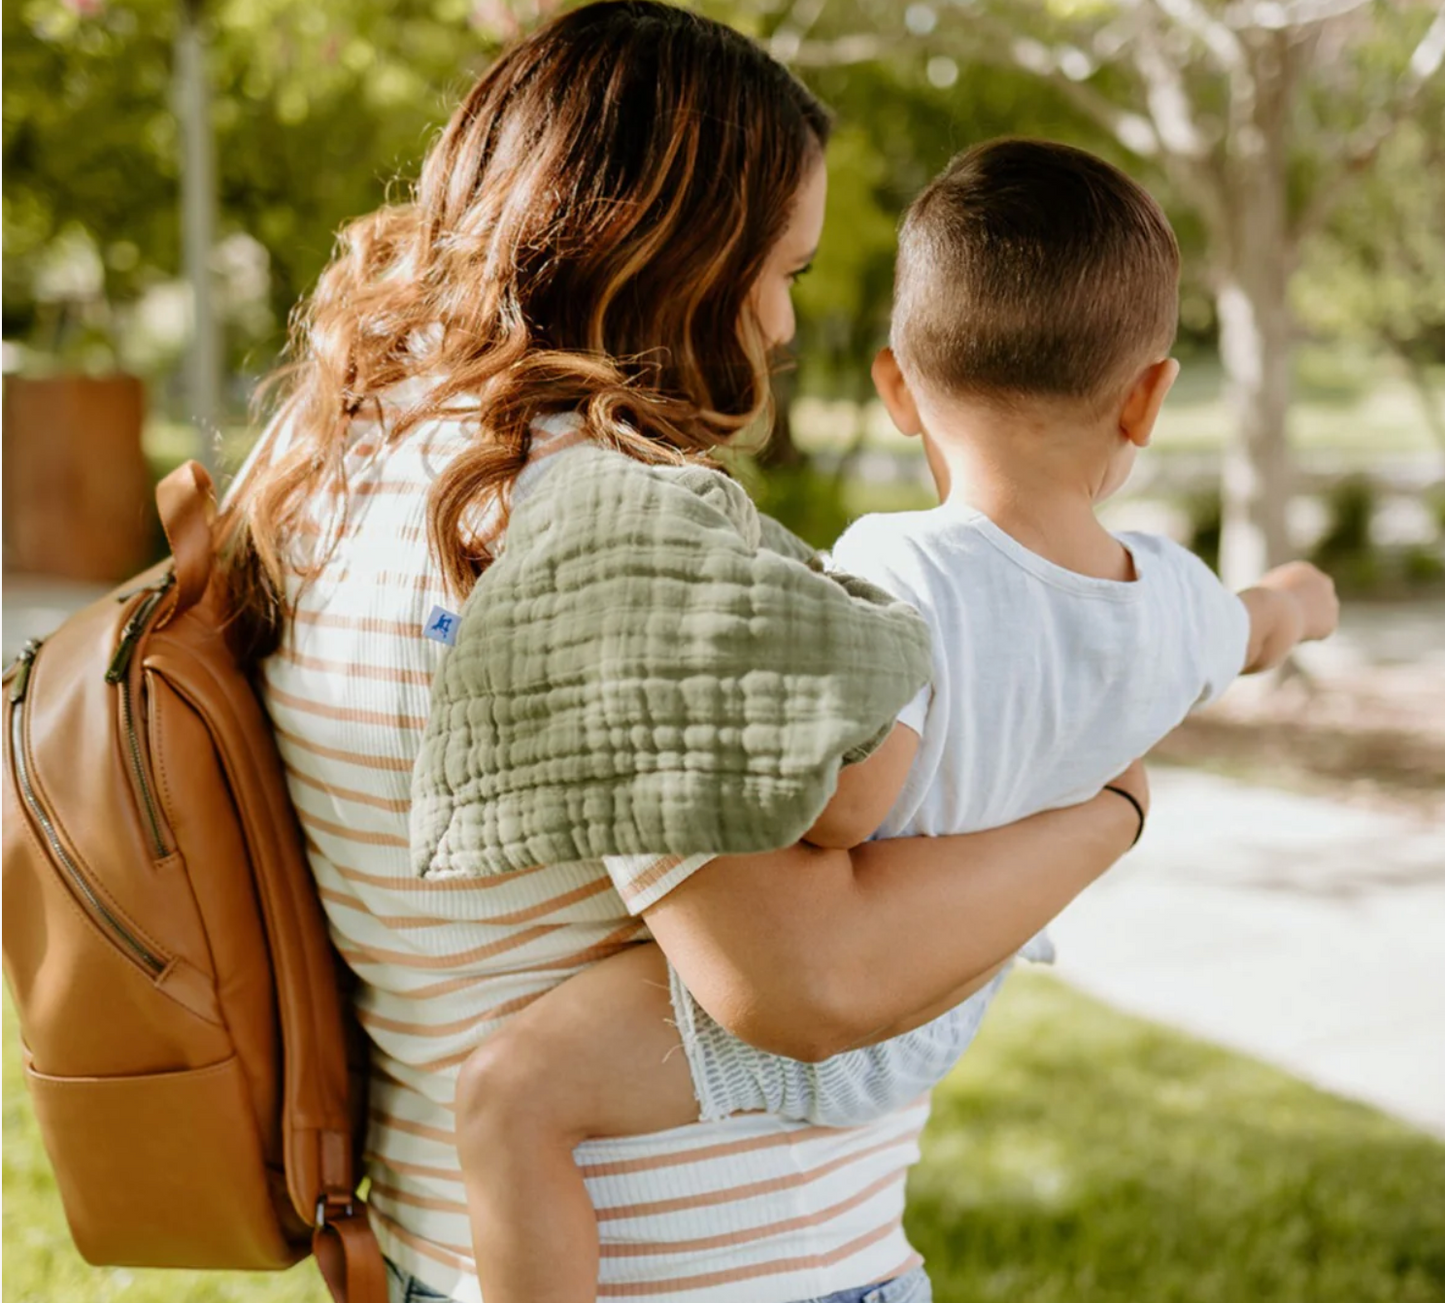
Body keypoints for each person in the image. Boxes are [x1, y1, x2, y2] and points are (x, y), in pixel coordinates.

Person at [219, 8, 1150, 1301]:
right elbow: (803, 978)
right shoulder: (590, 522)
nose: (776, 322)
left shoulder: (334, 472)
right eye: (781, 269)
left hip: (463, 1250)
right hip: (720, 1272)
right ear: (674, 253)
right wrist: (1109, 812)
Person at [448, 138, 1340, 1303]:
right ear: (1147, 398)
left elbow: (855, 797)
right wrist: (1300, 603)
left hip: (849, 995)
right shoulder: (1170, 601)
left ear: (895, 386)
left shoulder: (896, 565)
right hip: (946, 1001)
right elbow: (1259, 623)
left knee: (510, 1096)